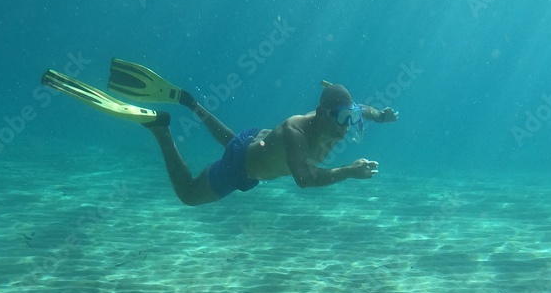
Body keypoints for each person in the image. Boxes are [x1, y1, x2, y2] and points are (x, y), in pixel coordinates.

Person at [41, 63, 399, 206]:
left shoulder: (338, 117)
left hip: (256, 141)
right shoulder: (296, 133)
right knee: (188, 195)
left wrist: (379, 116)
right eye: (341, 119)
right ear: (320, 113)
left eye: (351, 119)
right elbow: (305, 180)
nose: (345, 128)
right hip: (242, 167)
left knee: (234, 141)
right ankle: (161, 129)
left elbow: (364, 107)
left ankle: (191, 103)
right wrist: (348, 172)